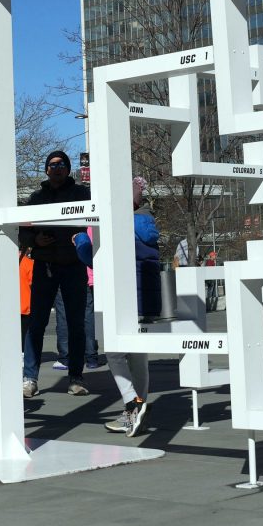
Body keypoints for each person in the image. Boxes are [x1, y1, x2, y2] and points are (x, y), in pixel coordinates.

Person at [77, 178, 162, 435]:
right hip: (145, 300)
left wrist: (80, 239)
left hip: (121, 298)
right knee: (138, 355)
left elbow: (95, 258)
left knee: (114, 352)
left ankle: (131, 403)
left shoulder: (119, 225)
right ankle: (137, 409)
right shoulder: (146, 223)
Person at [23, 150, 92, 397]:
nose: (57, 168)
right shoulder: (37, 198)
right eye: (52, 165)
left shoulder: (82, 193)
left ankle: (76, 377)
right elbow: (22, 230)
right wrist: (34, 240)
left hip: (74, 265)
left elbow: (97, 218)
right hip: (45, 266)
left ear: (68, 168)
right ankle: (30, 378)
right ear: (46, 170)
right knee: (37, 323)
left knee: (76, 324)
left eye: (62, 164)